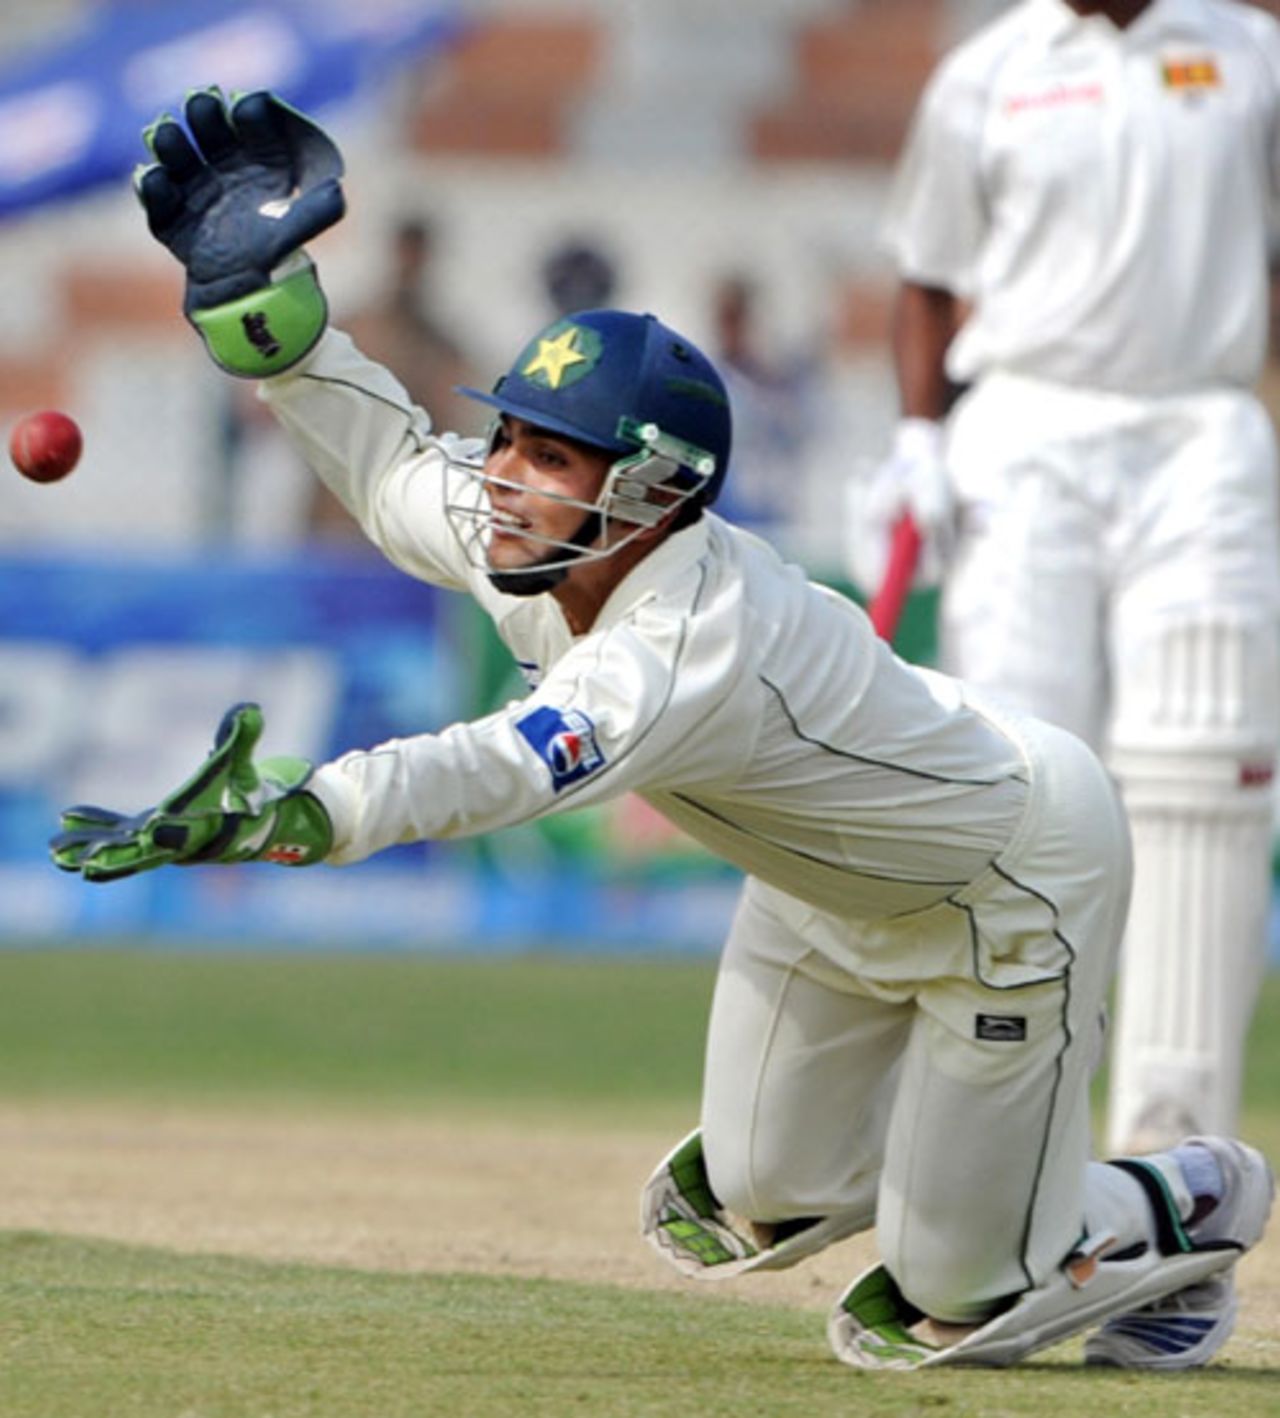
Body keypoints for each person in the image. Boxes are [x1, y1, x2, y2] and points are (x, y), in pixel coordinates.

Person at [52, 87, 1273, 1372]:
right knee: (744, 1198)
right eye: (512, 433)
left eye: (551, 455)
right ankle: (977, 1165)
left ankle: (1175, 1197)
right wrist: (273, 325)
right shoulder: (529, 526)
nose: (506, 473)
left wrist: (306, 809)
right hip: (821, 887)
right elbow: (394, 469)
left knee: (947, 1301)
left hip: (1004, 883)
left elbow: (500, 764)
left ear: (647, 492)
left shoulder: (684, 637)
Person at [858, 0, 1280, 1173]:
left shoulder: (1248, 51)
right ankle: (995, 1174)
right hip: (1023, 433)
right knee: (1015, 784)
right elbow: (928, 278)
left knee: (1202, 780)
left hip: (1199, 428)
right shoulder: (988, 69)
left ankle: (1174, 1179)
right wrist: (914, 437)